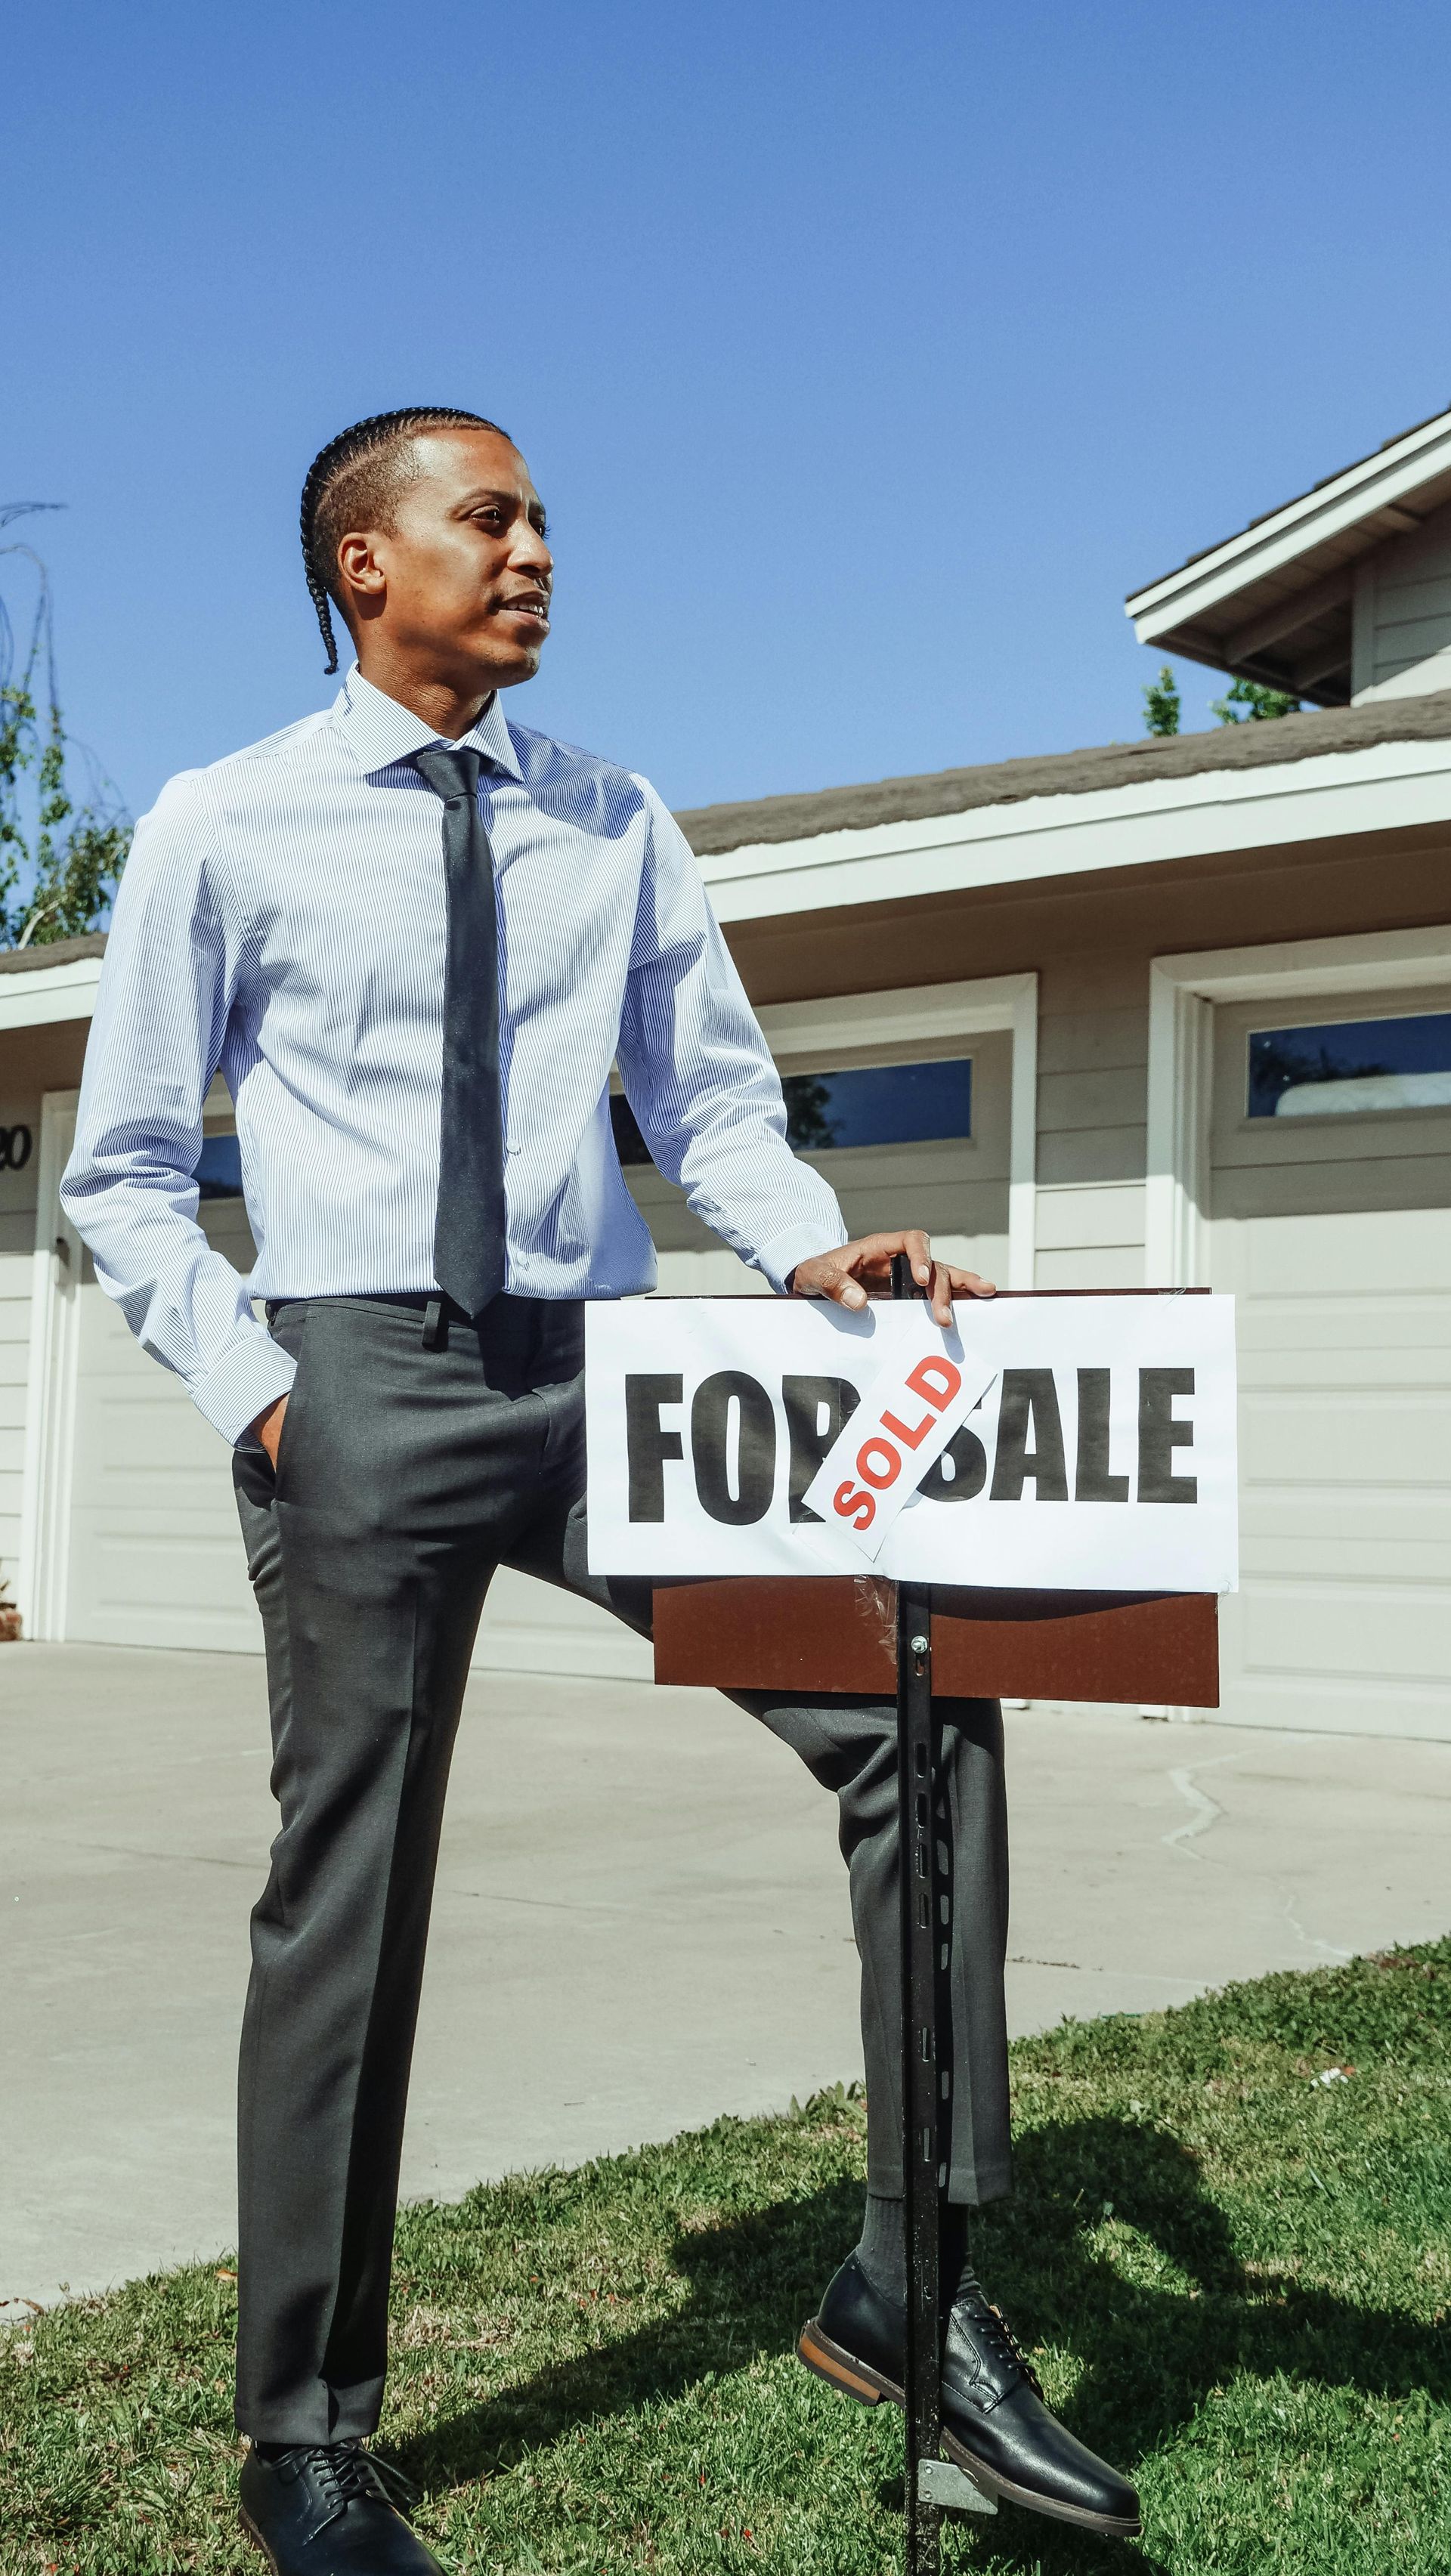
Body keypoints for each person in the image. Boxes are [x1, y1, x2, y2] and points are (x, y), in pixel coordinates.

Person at [61, 407, 1140, 2570]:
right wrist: (270, 1396)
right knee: (347, 1890)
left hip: (620, 1375)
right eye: (490, 517)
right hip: (361, 1371)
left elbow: (713, 1101)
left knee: (917, 1701)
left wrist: (808, 1243)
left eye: (543, 516)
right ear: (365, 567)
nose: (536, 548)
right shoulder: (224, 823)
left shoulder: (613, 816)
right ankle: (306, 2435)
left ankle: (912, 2289)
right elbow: (128, 1178)